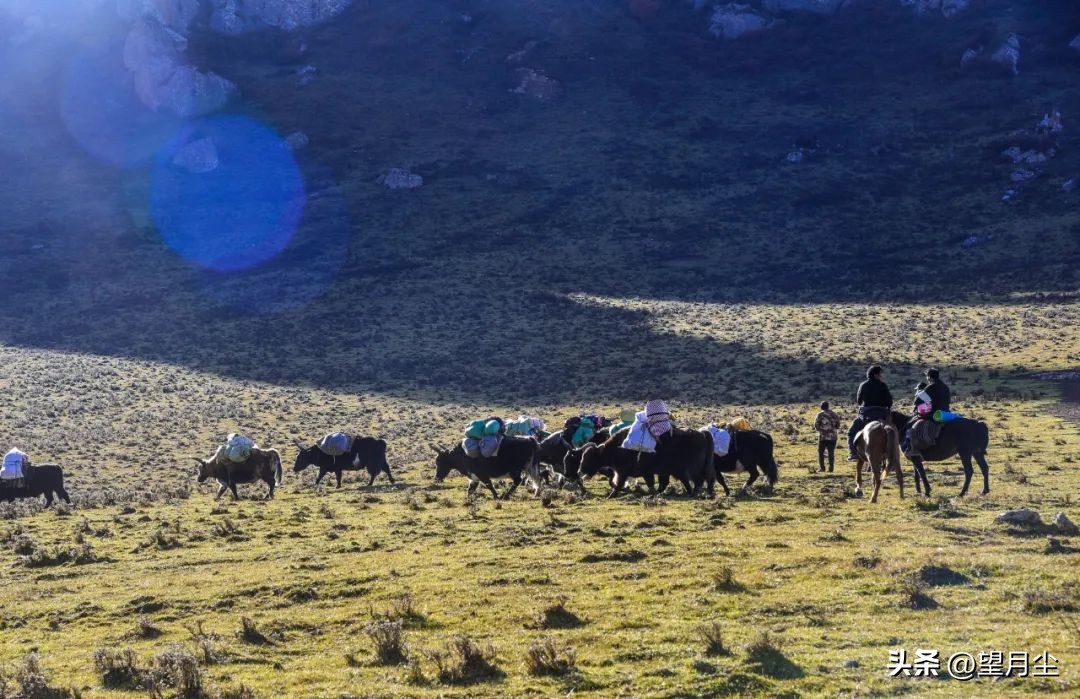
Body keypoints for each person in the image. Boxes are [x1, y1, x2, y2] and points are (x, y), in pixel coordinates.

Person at [847, 365, 893, 460]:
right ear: (875, 375)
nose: (881, 376)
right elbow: (889, 402)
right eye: (880, 374)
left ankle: (853, 453)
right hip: (882, 415)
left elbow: (859, 401)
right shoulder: (883, 385)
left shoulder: (863, 385)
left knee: (851, 432)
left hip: (867, 415)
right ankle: (893, 455)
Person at [813, 401, 841, 472]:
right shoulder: (834, 414)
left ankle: (822, 468)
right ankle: (831, 469)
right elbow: (838, 425)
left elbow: (816, 425)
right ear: (828, 406)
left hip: (823, 437)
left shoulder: (820, 414)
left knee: (821, 453)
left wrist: (821, 430)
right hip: (833, 437)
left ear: (821, 407)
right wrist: (832, 429)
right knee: (831, 453)